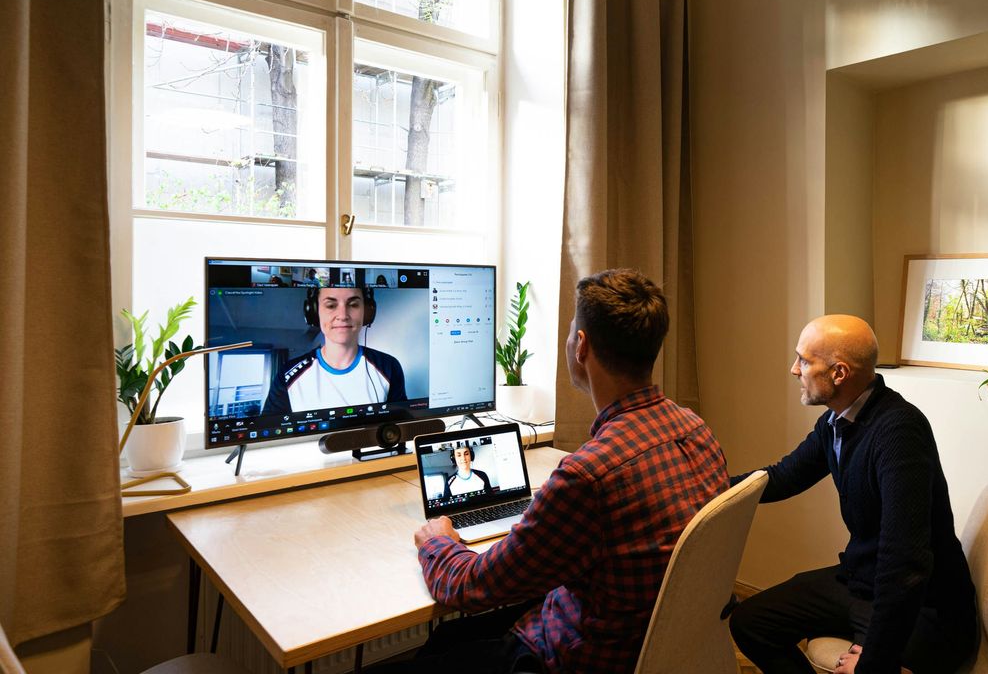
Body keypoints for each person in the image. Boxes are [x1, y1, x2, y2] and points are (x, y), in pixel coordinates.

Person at [394, 268, 728, 674]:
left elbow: (473, 586)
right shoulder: (695, 428)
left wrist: (437, 540)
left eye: (571, 331)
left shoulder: (588, 475)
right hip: (652, 643)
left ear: (581, 346)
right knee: (448, 638)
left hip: (576, 657)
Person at [728, 315, 977, 674]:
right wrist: (705, 489)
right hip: (862, 581)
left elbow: (905, 563)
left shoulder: (899, 432)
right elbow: (784, 477)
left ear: (839, 374)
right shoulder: (836, 423)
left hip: (926, 607)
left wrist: (875, 661)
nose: (794, 369)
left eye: (804, 360)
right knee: (751, 622)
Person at [262, 287, 406, 414]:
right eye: (331, 305)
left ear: (367, 312)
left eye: (354, 304)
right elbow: (270, 437)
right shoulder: (286, 376)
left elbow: (399, 429)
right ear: (314, 312)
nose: (343, 315)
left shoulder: (389, 366)